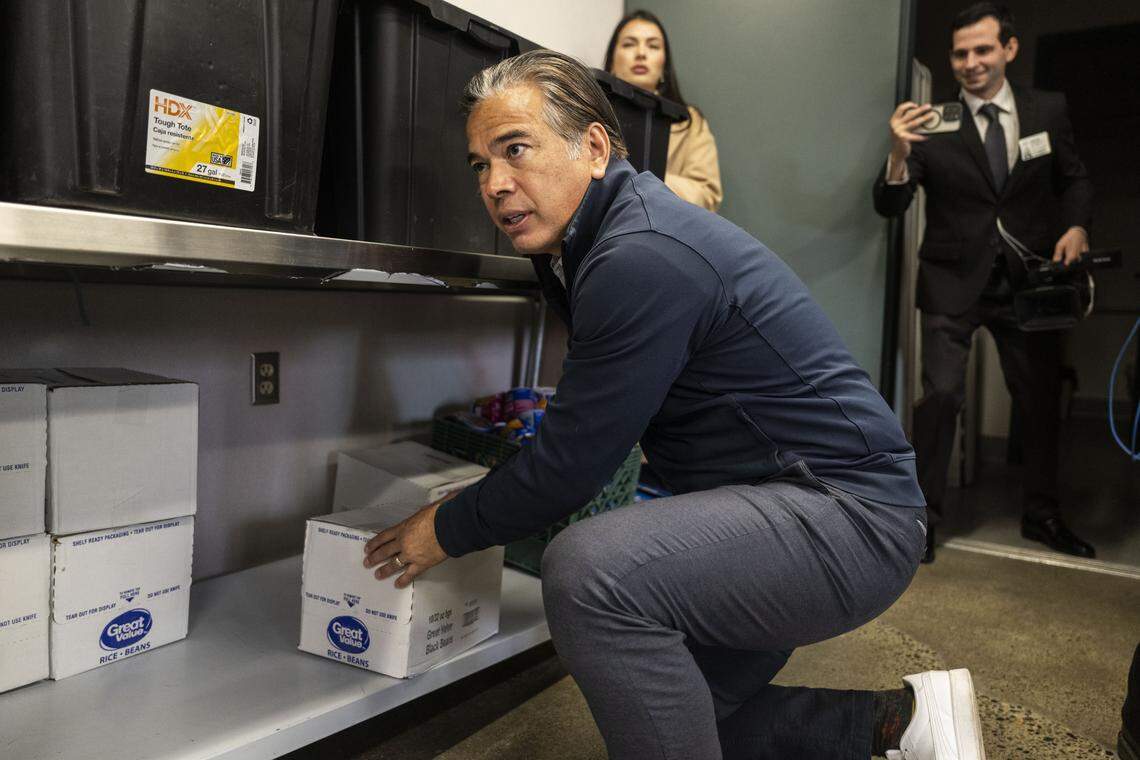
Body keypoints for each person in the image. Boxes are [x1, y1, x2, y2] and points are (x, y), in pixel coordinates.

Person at [361, 49, 986, 760]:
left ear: (594, 147)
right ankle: (902, 725)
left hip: (848, 516)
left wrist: (442, 527)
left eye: (515, 150)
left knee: (588, 573)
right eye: (480, 164)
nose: (496, 185)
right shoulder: (592, 240)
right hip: (789, 505)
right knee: (669, 703)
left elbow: (570, 468)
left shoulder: (639, 253)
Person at [873, 2, 1095, 563]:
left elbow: (1073, 180)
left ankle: (1042, 514)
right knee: (942, 396)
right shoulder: (933, 123)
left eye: (982, 50)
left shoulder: (1048, 108)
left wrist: (1075, 227)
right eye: (960, 53)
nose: (970, 63)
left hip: (1030, 282)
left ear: (1008, 50)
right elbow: (890, 204)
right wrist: (899, 152)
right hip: (951, 280)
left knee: (1039, 400)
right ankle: (923, 522)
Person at [604, 9, 723, 212]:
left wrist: (646, 175)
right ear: (612, 62)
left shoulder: (690, 123)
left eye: (653, 46)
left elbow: (707, 195)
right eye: (629, 44)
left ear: (664, 67)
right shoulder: (588, 113)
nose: (641, 53)